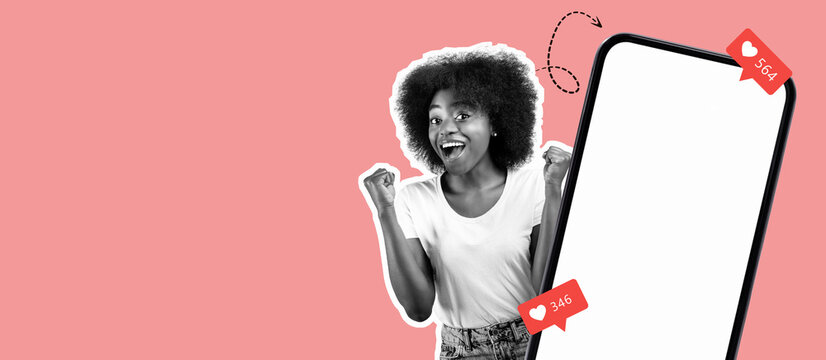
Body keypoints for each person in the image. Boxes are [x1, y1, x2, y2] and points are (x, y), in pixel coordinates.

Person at [362, 43, 571, 359]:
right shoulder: (414, 199)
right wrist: (385, 210)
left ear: (495, 123)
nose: (446, 129)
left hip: (535, 341)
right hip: (461, 350)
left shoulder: (535, 184)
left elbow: (550, 296)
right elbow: (417, 311)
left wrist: (554, 192)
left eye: (463, 114)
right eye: (435, 120)